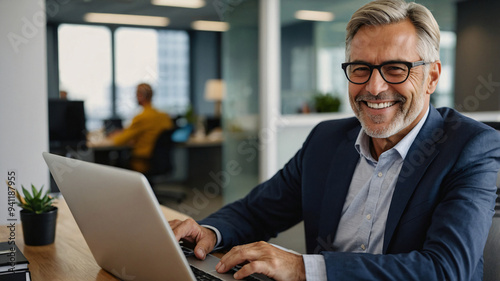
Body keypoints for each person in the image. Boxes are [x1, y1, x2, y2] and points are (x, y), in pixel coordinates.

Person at [169, 0, 500, 280]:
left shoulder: (470, 147)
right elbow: (258, 211)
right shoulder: (327, 139)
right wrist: (210, 232)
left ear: (431, 77)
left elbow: (445, 270)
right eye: (360, 69)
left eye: (396, 69)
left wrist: (305, 268)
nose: (374, 87)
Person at [110, 83, 174, 173]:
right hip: (160, 161)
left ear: (141, 96)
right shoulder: (164, 116)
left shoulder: (141, 117)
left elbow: (118, 141)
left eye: (136, 94)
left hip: (141, 162)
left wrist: (114, 135)